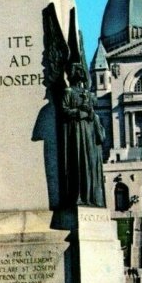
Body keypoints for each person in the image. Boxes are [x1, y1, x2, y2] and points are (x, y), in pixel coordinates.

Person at [61, 63, 106, 207]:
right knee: (79, 161)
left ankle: (91, 197)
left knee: (91, 163)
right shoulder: (68, 92)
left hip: (89, 133)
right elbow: (64, 110)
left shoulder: (89, 94)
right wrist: (80, 112)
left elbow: (94, 113)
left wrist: (90, 112)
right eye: (78, 72)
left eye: (82, 72)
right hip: (76, 132)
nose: (80, 75)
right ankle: (78, 196)